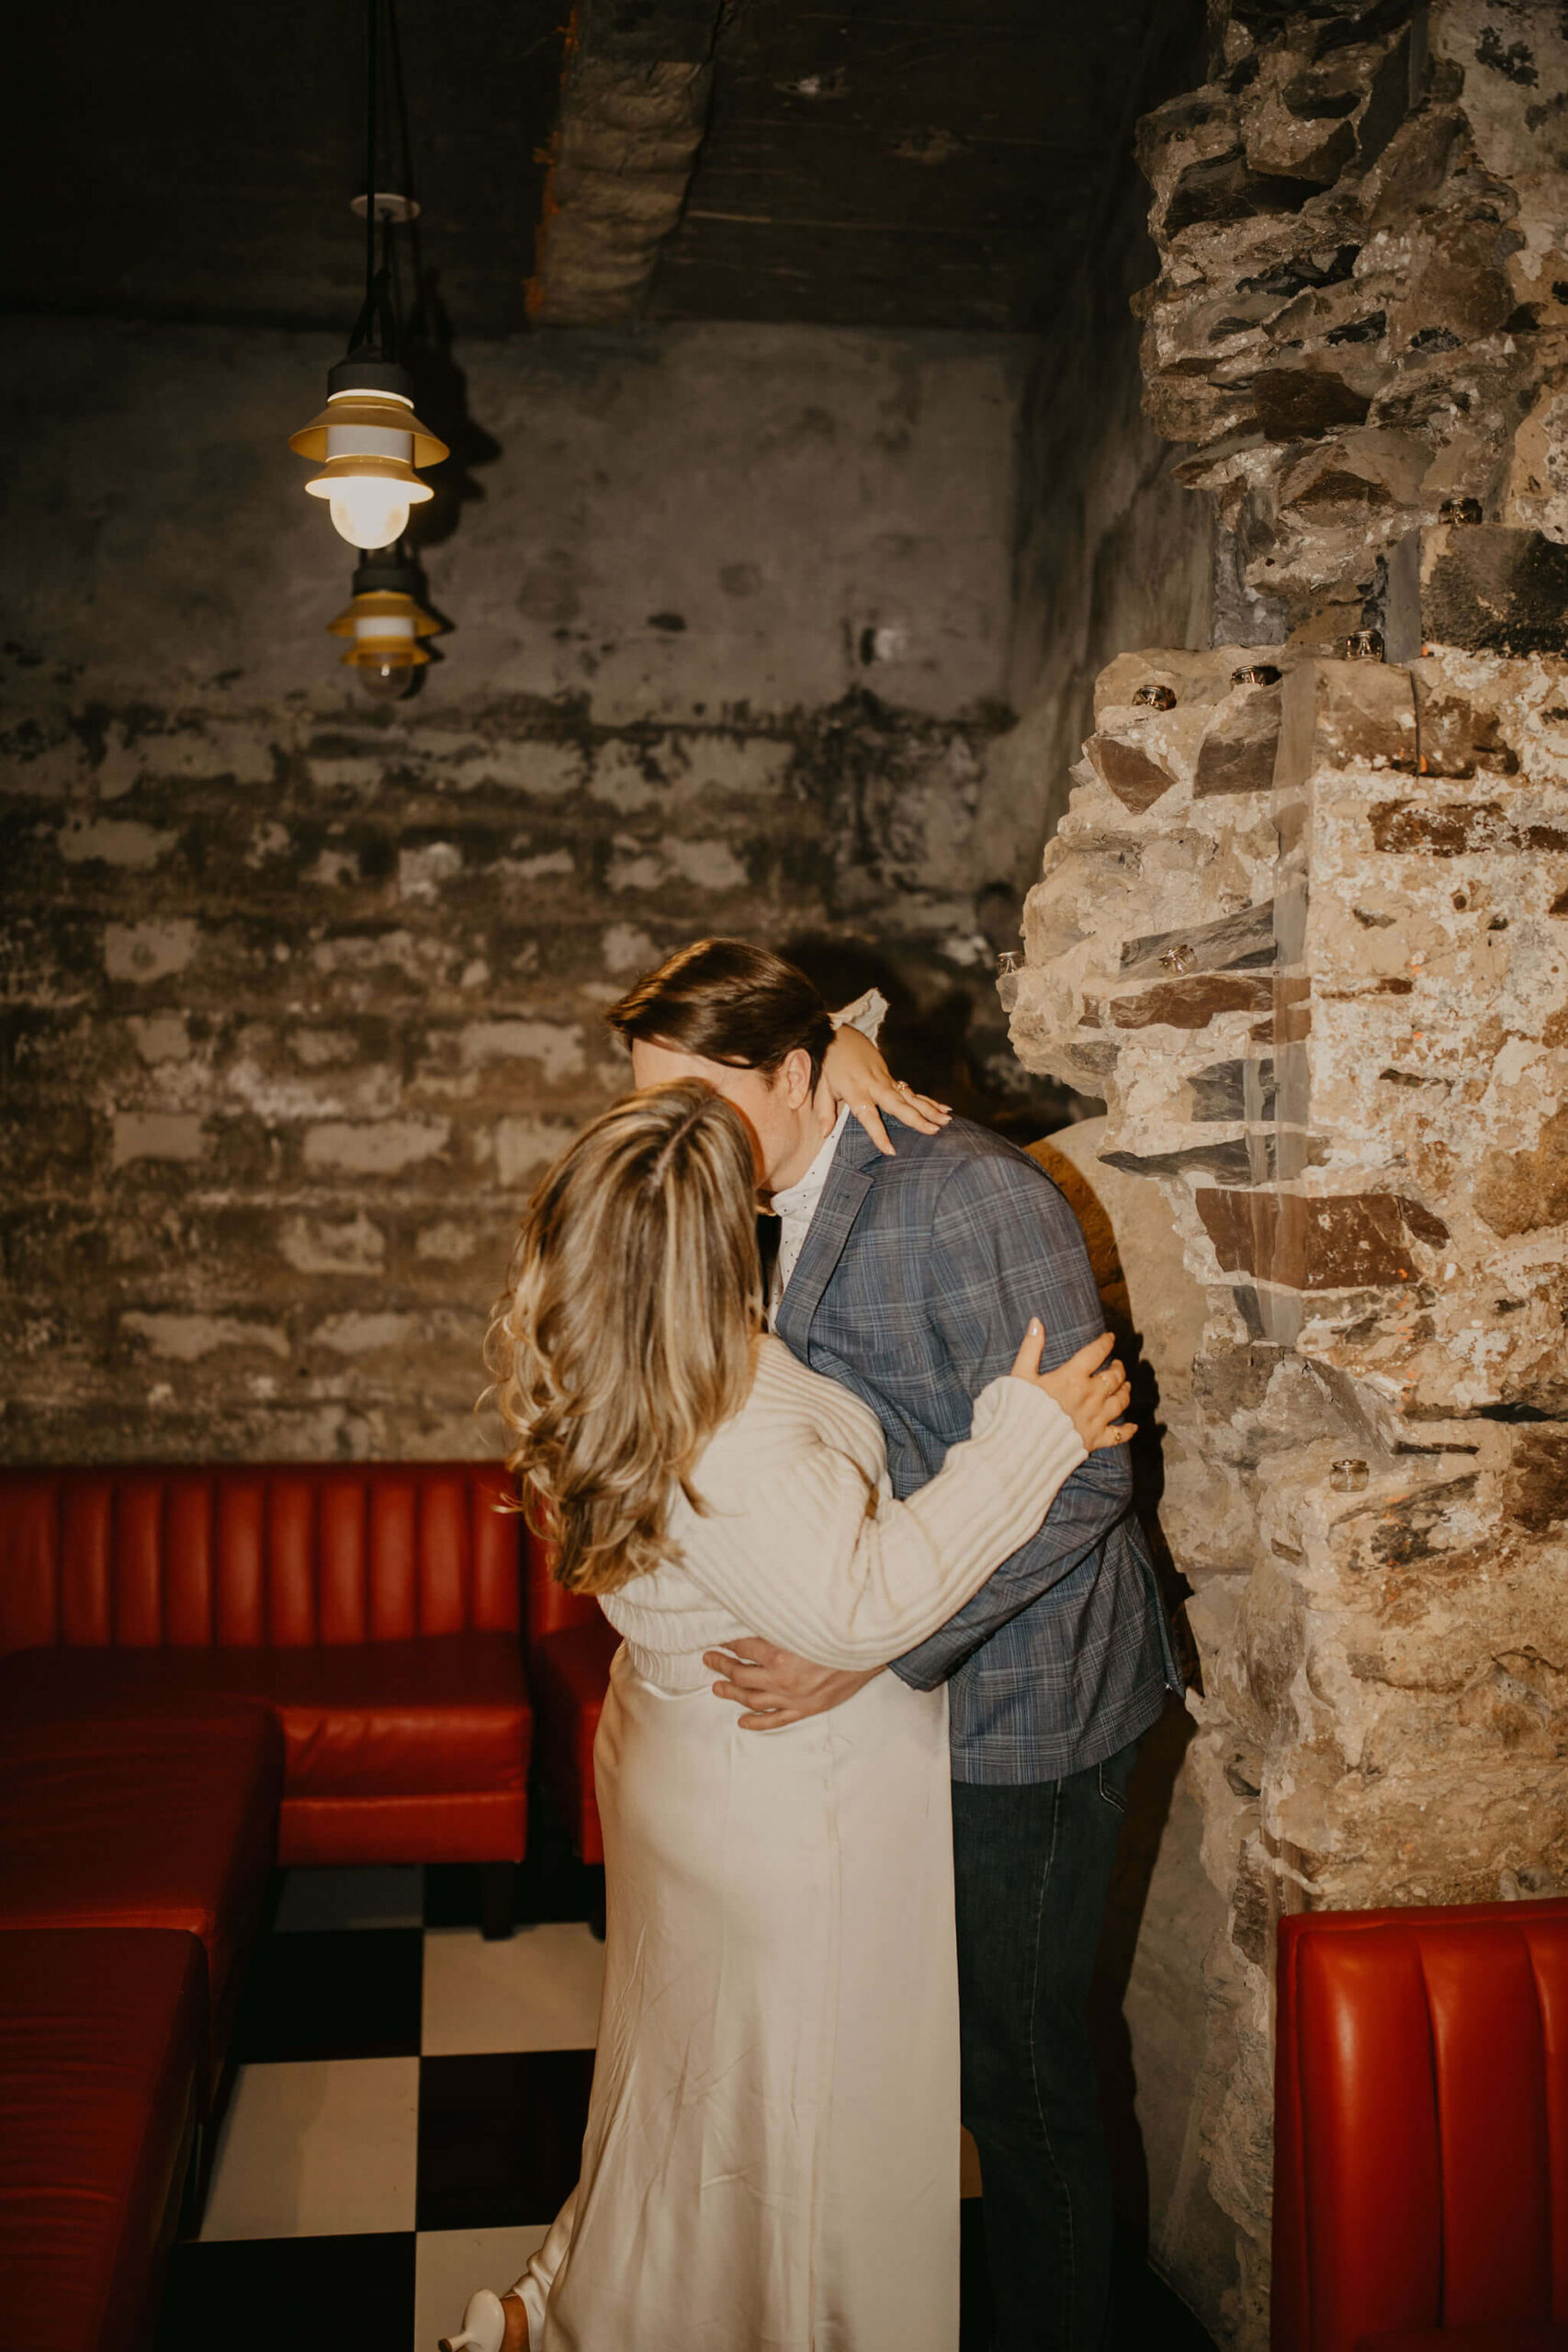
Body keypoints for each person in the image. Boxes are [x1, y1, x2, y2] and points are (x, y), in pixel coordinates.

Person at [441, 1076, 1134, 2352]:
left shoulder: (616, 1358)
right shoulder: (735, 1419)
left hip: (679, 1766)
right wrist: (1028, 1435)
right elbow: (858, 1611)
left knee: (692, 2090)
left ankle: (600, 2304)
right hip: (778, 1802)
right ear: (717, 1246)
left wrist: (846, 1046)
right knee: (797, 2133)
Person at [608, 939, 1183, 2352]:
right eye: (648, 1103)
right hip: (888, 1716)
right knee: (922, 2056)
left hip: (1026, 1704)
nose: (664, 1137)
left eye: (695, 1101)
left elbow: (1091, 1479)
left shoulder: (966, 1196)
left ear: (794, 1075)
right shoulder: (728, 1180)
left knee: (1020, 2074)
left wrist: (870, 1650)